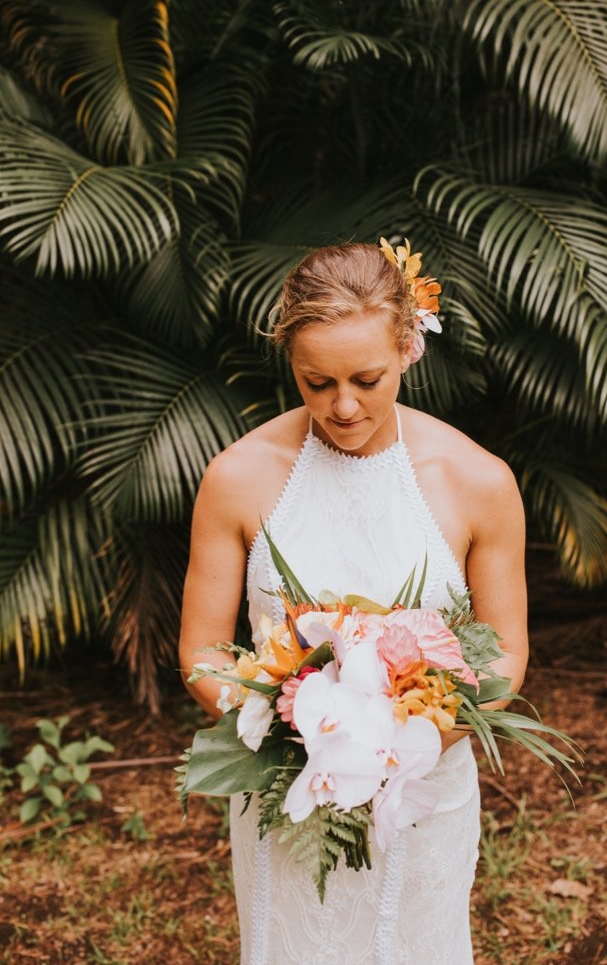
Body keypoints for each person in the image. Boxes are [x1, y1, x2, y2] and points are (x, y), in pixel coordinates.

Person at [179, 242, 529, 965]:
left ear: (409, 347)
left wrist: (404, 749)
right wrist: (289, 737)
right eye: (316, 382)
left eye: (367, 379)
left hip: (422, 792)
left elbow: (508, 655)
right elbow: (202, 652)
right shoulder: (238, 477)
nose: (342, 405)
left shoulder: (478, 481)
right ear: (290, 363)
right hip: (290, 796)